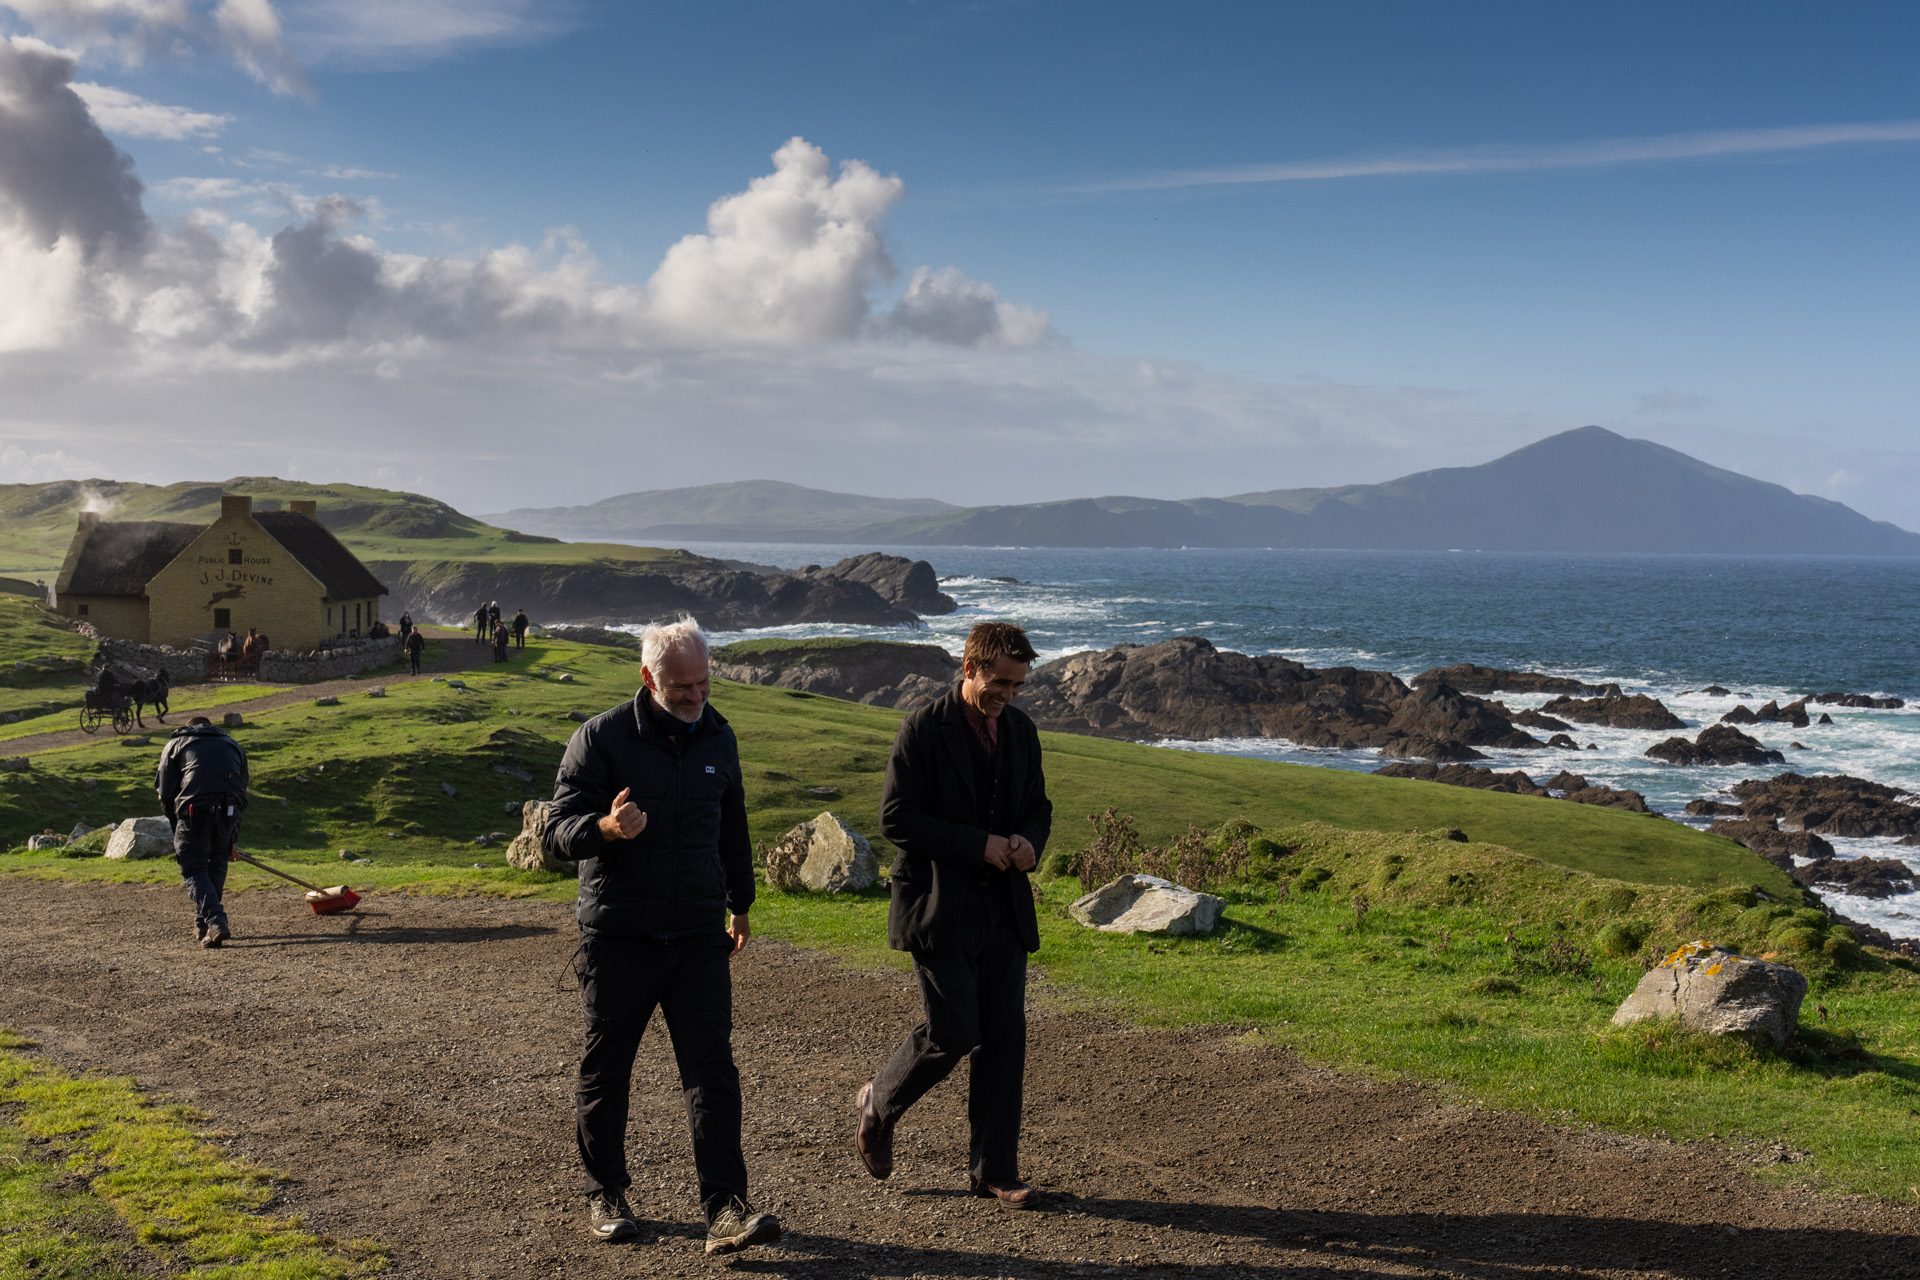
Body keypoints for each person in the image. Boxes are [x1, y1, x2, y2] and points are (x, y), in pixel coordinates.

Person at [544, 616, 779, 1256]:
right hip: (620, 934)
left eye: (704, 683)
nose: (696, 697)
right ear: (648, 678)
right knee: (608, 1067)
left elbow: (732, 826)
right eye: (682, 687)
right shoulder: (601, 739)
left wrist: (742, 904)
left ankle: (727, 1209)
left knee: (712, 1070)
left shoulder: (718, 736)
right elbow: (556, 832)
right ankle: (605, 1193)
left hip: (699, 933)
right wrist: (607, 829)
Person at [854, 621, 1051, 1208]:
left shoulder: (1020, 730)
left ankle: (994, 1170)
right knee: (956, 1030)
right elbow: (896, 819)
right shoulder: (923, 727)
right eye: (1000, 683)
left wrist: (1027, 843)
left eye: (1017, 686)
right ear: (970, 668)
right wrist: (979, 845)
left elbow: (1038, 806)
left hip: (1004, 908)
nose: (1008, 696)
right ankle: (879, 1103)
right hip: (938, 906)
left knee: (1004, 1038)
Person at [156, 715, 250, 948]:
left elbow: (166, 793)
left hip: (194, 810)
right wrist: (232, 837)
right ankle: (204, 925)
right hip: (229, 809)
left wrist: (175, 826)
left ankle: (216, 921)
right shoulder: (232, 745)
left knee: (194, 868)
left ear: (189, 728)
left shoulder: (176, 744)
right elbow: (241, 790)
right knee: (216, 863)